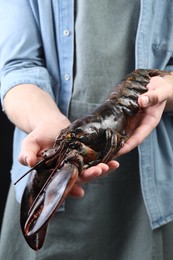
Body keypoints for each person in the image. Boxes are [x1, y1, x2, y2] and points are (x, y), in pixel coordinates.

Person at [0, 0, 173, 259]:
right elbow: (17, 67)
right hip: (56, 196)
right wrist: (46, 122)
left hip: (150, 195)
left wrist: (167, 89)